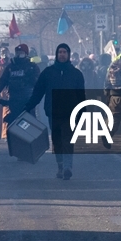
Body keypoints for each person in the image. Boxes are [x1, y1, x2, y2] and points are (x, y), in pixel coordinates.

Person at [24, 43, 85, 180]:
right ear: (57, 55)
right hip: (53, 112)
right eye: (60, 52)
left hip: (71, 112)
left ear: (68, 55)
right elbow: (38, 92)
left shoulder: (76, 74)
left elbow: (81, 95)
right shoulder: (48, 73)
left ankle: (68, 166)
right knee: (57, 140)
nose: (62, 54)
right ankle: (60, 165)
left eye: (64, 52)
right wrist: (29, 106)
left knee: (68, 139)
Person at [0, 44, 41, 153]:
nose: (19, 55)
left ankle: (31, 147)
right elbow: (3, 81)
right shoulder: (11, 67)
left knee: (29, 123)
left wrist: (31, 78)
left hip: (28, 100)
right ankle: (19, 149)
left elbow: (39, 84)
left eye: (22, 53)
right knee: (15, 124)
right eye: (18, 53)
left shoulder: (32, 67)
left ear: (26, 54)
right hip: (14, 100)